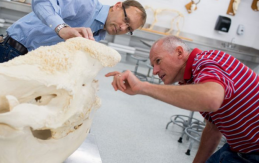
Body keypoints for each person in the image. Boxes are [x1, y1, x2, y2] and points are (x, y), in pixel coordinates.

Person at [106, 35, 259, 163]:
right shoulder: (194, 79)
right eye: (153, 65)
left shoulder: (206, 61)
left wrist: (144, 87)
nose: (154, 71)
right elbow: (214, 128)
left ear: (179, 52)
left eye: (158, 61)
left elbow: (212, 99)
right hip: (238, 148)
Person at [0, 0, 146, 63]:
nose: (123, 28)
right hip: (12, 52)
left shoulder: (98, 34)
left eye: (129, 29)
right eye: (126, 20)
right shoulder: (87, 3)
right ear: (118, 5)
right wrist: (61, 28)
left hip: (33, 63)